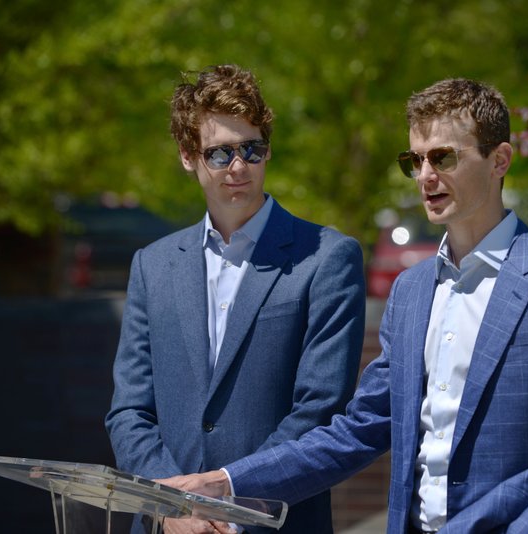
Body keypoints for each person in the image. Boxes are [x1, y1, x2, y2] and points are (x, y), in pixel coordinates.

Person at [160, 78, 528, 533]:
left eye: (445, 157)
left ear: (500, 160)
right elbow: (360, 429)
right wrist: (227, 482)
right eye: (417, 160)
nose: (427, 176)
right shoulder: (411, 292)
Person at [105, 64, 366, 534]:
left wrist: (227, 508)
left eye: (252, 149)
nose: (239, 167)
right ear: (188, 156)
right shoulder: (152, 264)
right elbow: (130, 410)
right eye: (220, 153)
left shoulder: (329, 258)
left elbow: (320, 410)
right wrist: (172, 509)